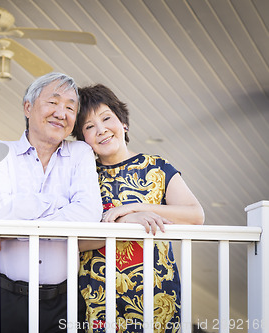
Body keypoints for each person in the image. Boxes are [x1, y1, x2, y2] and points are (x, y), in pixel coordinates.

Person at [72, 84, 204, 333]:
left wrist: (135, 208)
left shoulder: (157, 167)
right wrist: (123, 224)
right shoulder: (81, 176)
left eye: (106, 118)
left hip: (156, 297)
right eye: (89, 126)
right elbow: (74, 240)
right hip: (97, 298)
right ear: (83, 140)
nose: (101, 130)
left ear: (123, 123)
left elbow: (196, 216)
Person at [0, 72, 103, 333]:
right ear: (28, 107)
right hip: (8, 298)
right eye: (53, 102)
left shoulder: (80, 153)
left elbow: (89, 212)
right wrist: (60, 205)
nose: (62, 113)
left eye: (70, 107)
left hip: (64, 301)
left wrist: (21, 224)